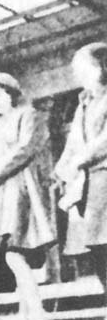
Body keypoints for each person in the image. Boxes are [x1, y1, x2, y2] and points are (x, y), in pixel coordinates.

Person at [0, 73, 57, 320]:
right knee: (13, 254)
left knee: (15, 254)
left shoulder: (29, 115)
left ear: (11, 93)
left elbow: (25, 149)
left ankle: (38, 319)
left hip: (23, 190)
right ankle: (29, 319)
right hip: (3, 194)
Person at [56, 42, 107, 293]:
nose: (78, 74)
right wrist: (62, 168)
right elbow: (74, 140)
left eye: (83, 67)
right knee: (98, 246)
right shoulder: (83, 102)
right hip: (90, 186)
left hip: (104, 177)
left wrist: (80, 160)